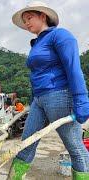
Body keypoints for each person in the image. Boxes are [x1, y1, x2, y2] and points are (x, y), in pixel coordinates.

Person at [9, 1, 89, 179]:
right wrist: (32, 100)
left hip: (60, 95)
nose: (27, 23)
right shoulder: (37, 43)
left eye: (29, 18)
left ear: (43, 16)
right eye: (24, 20)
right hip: (39, 100)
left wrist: (81, 100)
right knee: (26, 145)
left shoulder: (60, 35)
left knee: (75, 147)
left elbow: (73, 68)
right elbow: (37, 75)